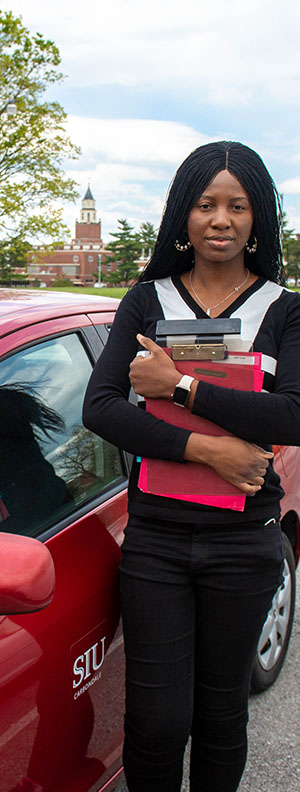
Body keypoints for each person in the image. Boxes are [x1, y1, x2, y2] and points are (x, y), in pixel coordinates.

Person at [83, 140, 300, 792]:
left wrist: (181, 388)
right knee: (155, 721)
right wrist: (209, 448)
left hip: (244, 543)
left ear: (258, 216)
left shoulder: (284, 310)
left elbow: (292, 417)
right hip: (158, 544)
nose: (221, 220)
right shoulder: (146, 301)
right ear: (184, 212)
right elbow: (100, 408)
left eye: (237, 205)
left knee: (220, 713)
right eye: (206, 203)